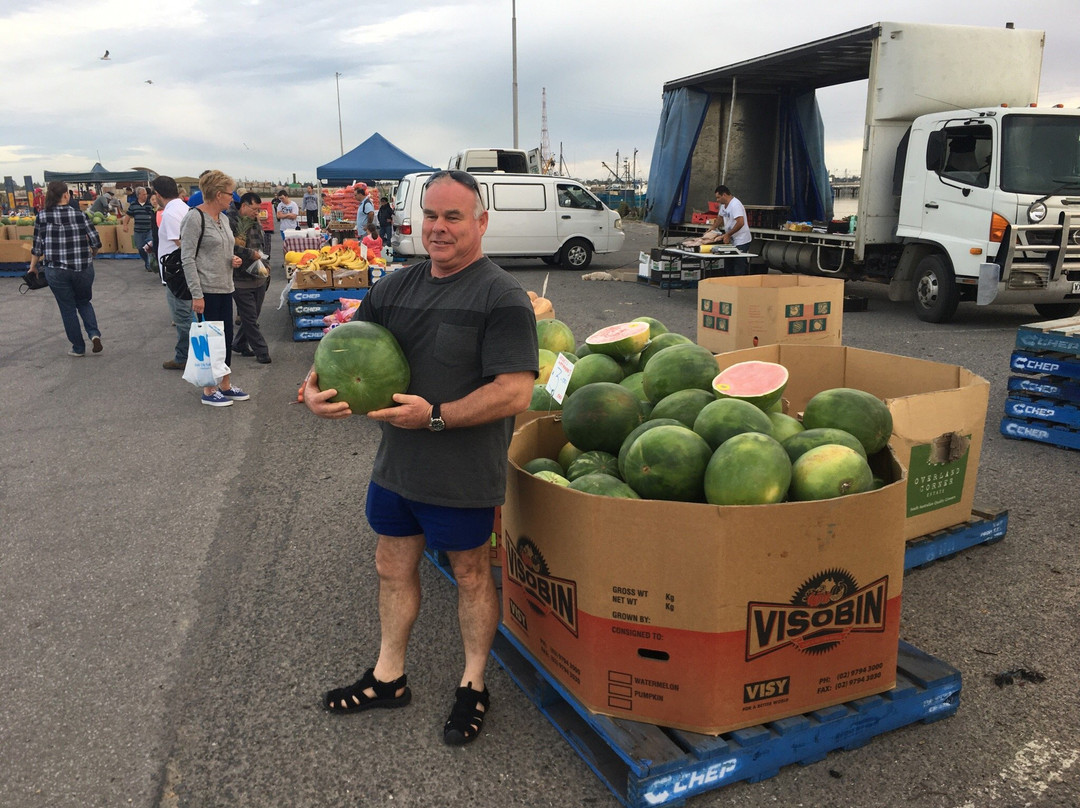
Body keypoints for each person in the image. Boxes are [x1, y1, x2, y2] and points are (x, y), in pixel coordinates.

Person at [304, 170, 538, 746]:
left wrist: (435, 415)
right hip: (397, 468)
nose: (438, 227)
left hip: (462, 472)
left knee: (469, 575)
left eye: (453, 216)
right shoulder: (396, 286)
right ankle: (389, 677)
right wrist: (311, 387)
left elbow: (515, 390)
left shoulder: (501, 296)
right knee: (391, 565)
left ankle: (474, 684)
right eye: (431, 215)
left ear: (481, 223)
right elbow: (344, 345)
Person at [180, 170, 249, 407]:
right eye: (230, 194)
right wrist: (196, 294)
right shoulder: (194, 218)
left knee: (225, 338)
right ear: (218, 194)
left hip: (225, 286)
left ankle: (226, 384)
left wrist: (233, 260)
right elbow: (187, 258)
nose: (233, 198)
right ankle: (209, 390)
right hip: (206, 289)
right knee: (210, 341)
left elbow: (223, 249)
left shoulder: (225, 219)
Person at [28, 181, 104, 357]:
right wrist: (92, 253)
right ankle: (94, 334)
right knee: (84, 302)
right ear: (65, 196)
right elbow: (96, 241)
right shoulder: (80, 215)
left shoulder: (42, 216)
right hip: (83, 268)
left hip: (56, 270)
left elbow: (37, 247)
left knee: (67, 308)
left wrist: (33, 267)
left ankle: (78, 348)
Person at [227, 192, 272, 364]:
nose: (256, 213)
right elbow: (229, 247)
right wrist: (249, 254)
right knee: (250, 318)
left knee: (253, 315)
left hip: (258, 274)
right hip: (240, 279)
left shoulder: (255, 221)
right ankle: (262, 351)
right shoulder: (230, 222)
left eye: (258, 210)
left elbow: (261, 244)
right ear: (244, 206)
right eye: (254, 209)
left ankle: (239, 343)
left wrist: (265, 262)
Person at [154, 176, 194, 371]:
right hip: (184, 272)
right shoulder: (184, 208)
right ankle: (191, 354)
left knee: (182, 317)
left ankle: (183, 357)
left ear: (158, 194)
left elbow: (181, 244)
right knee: (188, 314)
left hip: (177, 274)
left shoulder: (170, 214)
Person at [123, 186, 156, 271]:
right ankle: (146, 261)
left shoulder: (150, 204)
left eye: (146, 194)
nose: (145, 196)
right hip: (138, 231)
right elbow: (128, 216)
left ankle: (149, 265)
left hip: (149, 230)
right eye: (143, 194)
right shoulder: (133, 205)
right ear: (138, 195)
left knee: (149, 248)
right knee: (140, 248)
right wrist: (125, 225)